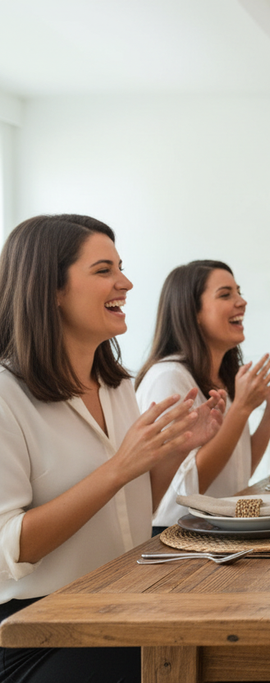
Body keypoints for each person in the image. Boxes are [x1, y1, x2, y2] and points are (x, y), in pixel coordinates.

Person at [0, 215, 224, 682]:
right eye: (104, 270)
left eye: (120, 268)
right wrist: (119, 467)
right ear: (51, 289)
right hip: (36, 628)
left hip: (122, 600)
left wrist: (175, 450)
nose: (126, 283)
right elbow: (10, 549)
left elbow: (131, 509)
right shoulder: (6, 395)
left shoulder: (116, 386)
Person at [136, 260, 270, 531]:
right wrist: (241, 409)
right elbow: (191, 488)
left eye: (239, 292)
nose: (242, 302)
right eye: (225, 294)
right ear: (193, 312)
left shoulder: (221, 379)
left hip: (219, 529)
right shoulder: (169, 378)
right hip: (177, 534)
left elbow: (238, 473)